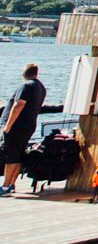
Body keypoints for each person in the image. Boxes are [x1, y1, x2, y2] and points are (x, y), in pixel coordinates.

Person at [1, 63, 46, 196]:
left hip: (16, 126)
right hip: (29, 126)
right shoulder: (40, 87)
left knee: (10, 156)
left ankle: (5, 187)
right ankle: (11, 185)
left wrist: (8, 125)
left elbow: (18, 104)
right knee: (19, 155)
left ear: (24, 73)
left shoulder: (26, 86)